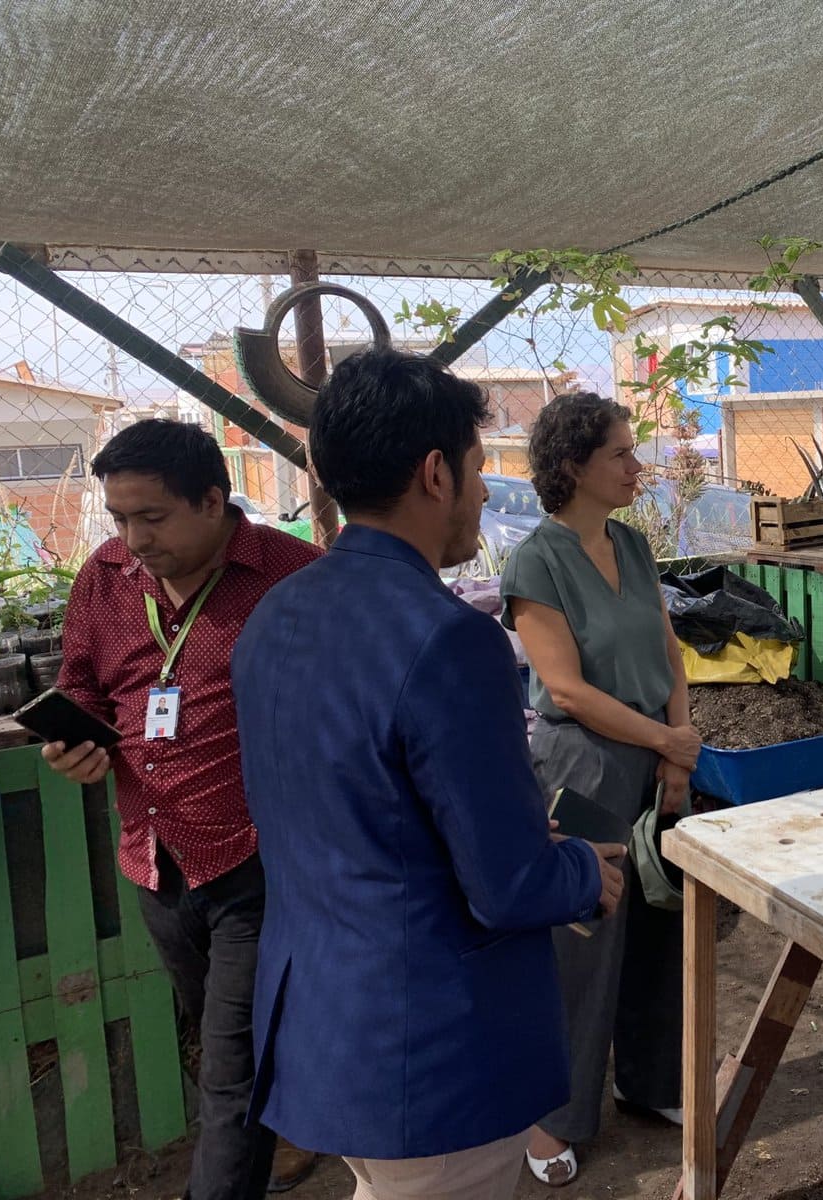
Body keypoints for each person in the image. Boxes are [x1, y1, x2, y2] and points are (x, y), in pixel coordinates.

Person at [231, 348, 622, 1200]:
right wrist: (582, 871)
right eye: (479, 470)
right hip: (430, 1045)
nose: (483, 493)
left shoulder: (277, 612)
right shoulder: (449, 639)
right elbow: (508, 887)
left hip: (322, 1024)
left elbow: (356, 805)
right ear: (436, 473)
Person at [39, 419, 322, 1200]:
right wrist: (74, 740)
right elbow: (81, 683)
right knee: (220, 1025)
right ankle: (291, 1120)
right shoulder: (105, 577)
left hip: (258, 857)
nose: (134, 540)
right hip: (155, 857)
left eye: (152, 517)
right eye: (119, 518)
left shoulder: (293, 577)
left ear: (213, 500)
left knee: (229, 1064)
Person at [500, 391, 699, 1186]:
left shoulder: (632, 544)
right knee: (578, 945)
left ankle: (650, 1082)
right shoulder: (536, 562)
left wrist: (678, 750)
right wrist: (666, 741)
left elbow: (668, 648)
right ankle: (552, 1116)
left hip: (655, 757)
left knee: (659, 924)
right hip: (583, 766)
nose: (635, 466)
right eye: (619, 453)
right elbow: (567, 690)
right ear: (573, 465)